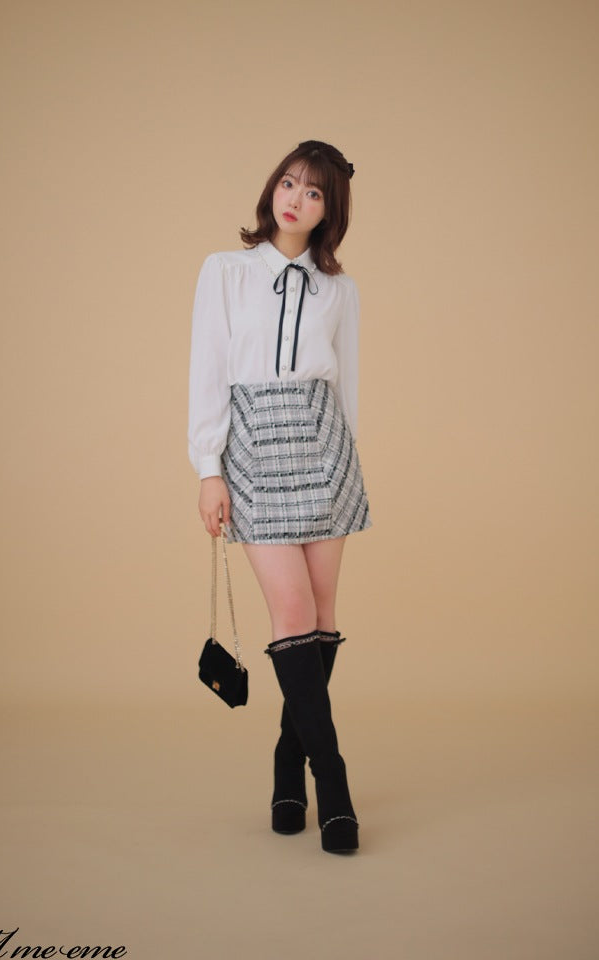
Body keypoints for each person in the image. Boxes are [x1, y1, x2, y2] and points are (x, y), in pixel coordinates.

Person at [188, 140, 371, 854]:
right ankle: (334, 781)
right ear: (273, 188)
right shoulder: (226, 271)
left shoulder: (340, 289)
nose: (295, 198)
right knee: (291, 612)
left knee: (321, 616)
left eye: (314, 191)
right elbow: (208, 369)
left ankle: (287, 764)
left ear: (330, 210)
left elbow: (347, 384)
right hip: (254, 446)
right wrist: (209, 468)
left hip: (327, 446)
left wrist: (348, 463)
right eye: (289, 182)